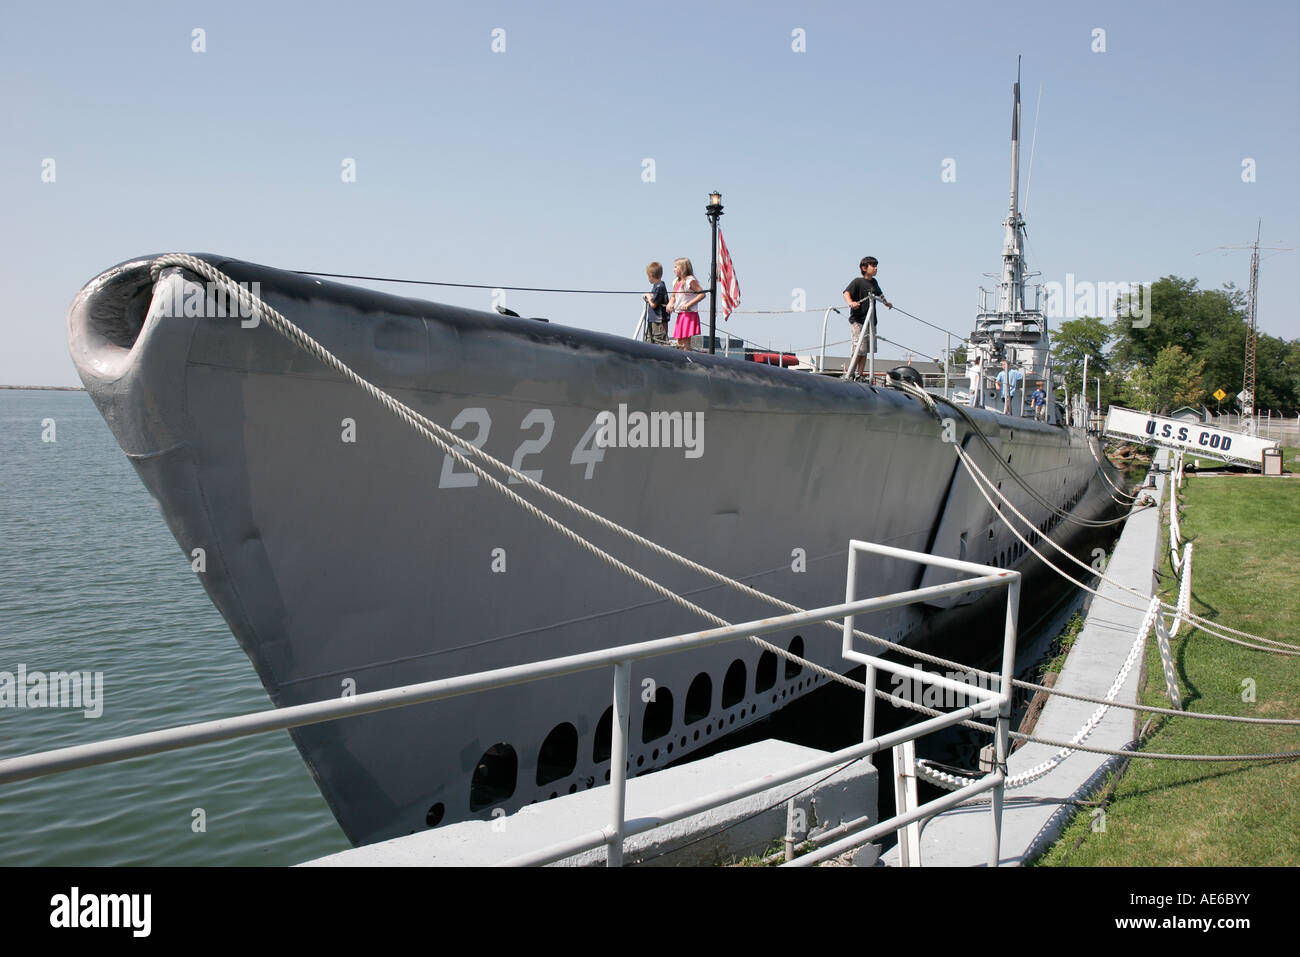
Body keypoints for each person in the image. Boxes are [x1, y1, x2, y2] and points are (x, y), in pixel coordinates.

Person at [842, 256, 892, 378]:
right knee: (859, 349)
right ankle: (850, 373)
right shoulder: (857, 282)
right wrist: (851, 303)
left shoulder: (874, 282)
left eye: (876, 266)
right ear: (864, 268)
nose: (875, 269)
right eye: (873, 266)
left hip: (870, 321)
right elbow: (846, 293)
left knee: (866, 350)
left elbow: (880, 294)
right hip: (858, 320)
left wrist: (886, 303)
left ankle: (860, 374)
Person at [670, 258, 705, 350]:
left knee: (685, 342)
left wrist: (688, 304)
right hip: (680, 314)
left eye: (675, 267)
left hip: (689, 314)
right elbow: (673, 296)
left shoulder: (690, 280)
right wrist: (670, 303)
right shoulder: (675, 281)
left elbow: (702, 294)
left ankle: (686, 359)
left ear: (682, 268)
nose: (673, 269)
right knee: (679, 341)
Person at [642, 262, 670, 345]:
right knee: (649, 341)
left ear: (651, 275)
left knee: (659, 342)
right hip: (653, 320)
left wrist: (648, 296)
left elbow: (654, 304)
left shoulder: (659, 287)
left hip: (658, 321)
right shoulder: (657, 286)